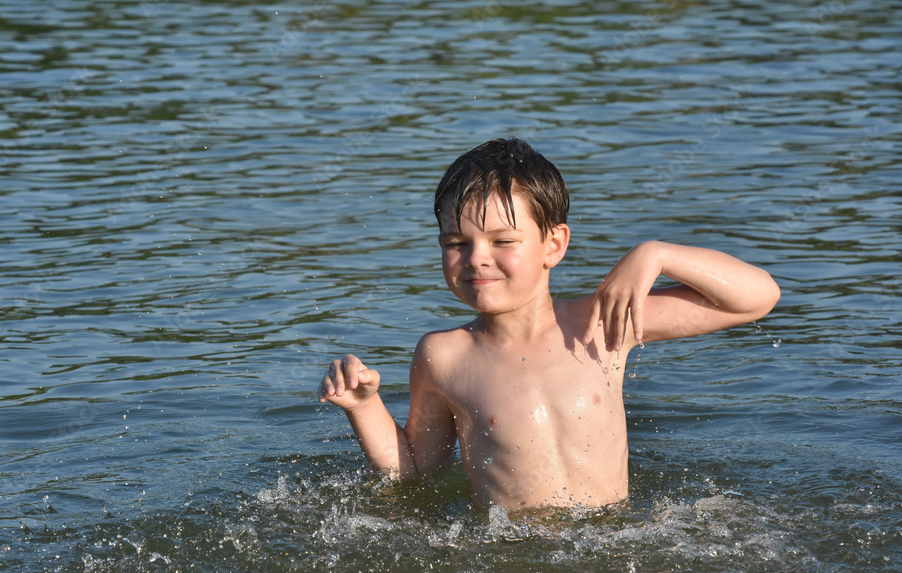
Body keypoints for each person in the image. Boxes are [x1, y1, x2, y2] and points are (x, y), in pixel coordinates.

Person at [317, 137, 780, 511]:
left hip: (614, 548)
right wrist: (364, 407)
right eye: (457, 241)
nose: (477, 258)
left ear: (553, 245)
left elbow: (757, 298)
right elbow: (417, 472)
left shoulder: (602, 324)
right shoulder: (446, 355)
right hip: (511, 563)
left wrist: (656, 254)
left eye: (503, 240)